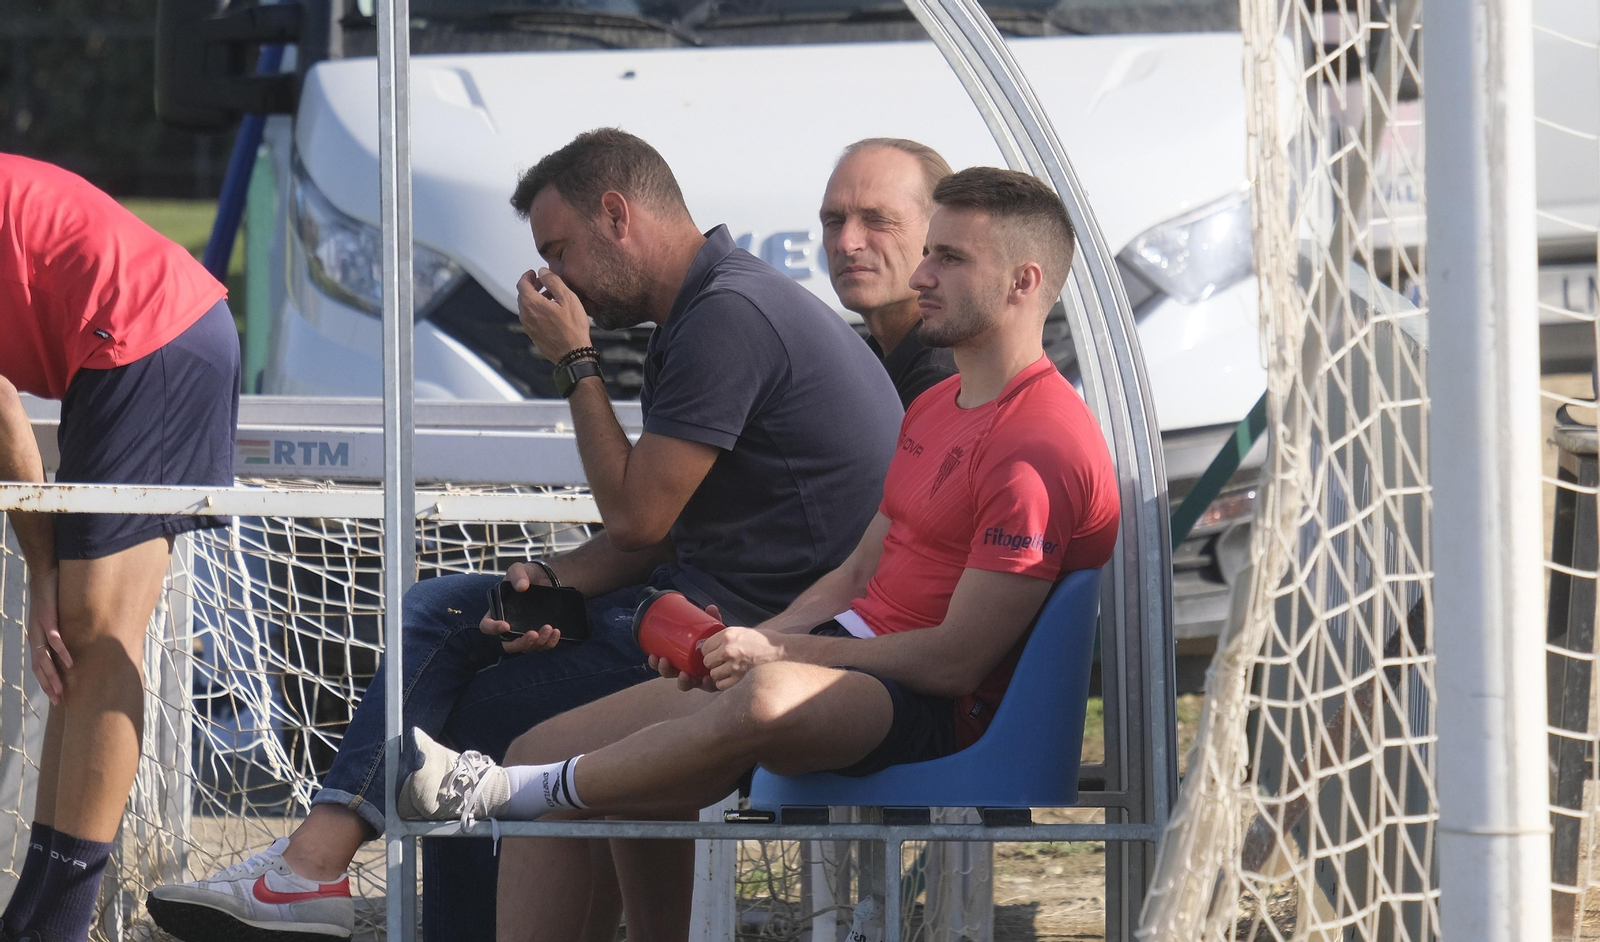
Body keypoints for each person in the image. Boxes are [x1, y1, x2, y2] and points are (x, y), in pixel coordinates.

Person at [147, 128, 904, 941]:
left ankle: (318, 872)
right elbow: (656, 531)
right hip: (702, 611)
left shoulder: (724, 317)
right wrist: (552, 580)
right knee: (444, 606)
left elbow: (639, 517)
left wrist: (574, 361)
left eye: (559, 250)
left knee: (477, 719)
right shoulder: (710, 306)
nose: (552, 280)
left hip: (750, 641)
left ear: (617, 215)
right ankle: (311, 865)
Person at [402, 166, 1122, 942]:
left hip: (937, 706)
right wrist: (738, 645)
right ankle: (527, 782)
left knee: (765, 696)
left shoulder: (1036, 444)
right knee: (549, 740)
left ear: (1023, 281)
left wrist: (773, 648)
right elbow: (853, 575)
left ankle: (509, 791)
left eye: (949, 259)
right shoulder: (938, 405)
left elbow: (954, 664)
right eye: (929, 252)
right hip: (842, 659)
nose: (920, 274)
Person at [0, 155, 239, 942]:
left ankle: (57, 923)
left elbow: (2, 418)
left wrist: (43, 565)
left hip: (146, 333)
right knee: (79, 636)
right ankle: (39, 914)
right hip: (127, 343)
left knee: (97, 631)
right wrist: (43, 571)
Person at [821, 138, 958, 407]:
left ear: (940, 232)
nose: (846, 243)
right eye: (834, 221)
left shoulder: (946, 377)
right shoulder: (870, 360)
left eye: (877, 220)